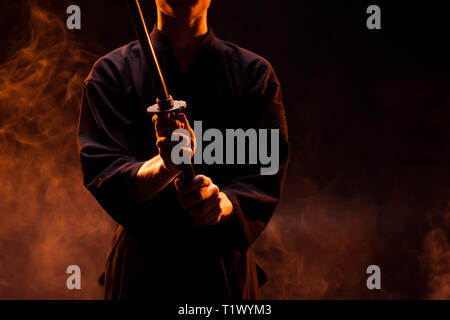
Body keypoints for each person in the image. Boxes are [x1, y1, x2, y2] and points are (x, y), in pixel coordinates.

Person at [77, 0, 289, 300]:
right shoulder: (110, 73)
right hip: (141, 274)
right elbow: (105, 172)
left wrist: (222, 204)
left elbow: (265, 172)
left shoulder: (255, 74)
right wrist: (166, 166)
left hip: (223, 272)